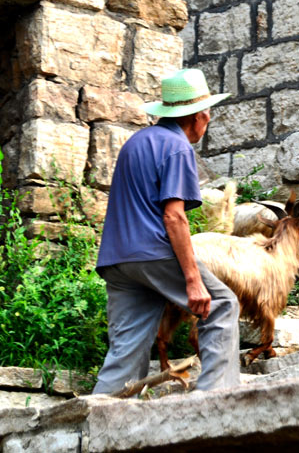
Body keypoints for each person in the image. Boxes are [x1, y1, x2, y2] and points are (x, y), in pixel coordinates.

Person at [92, 68, 240, 394]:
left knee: (126, 350)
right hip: (152, 252)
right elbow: (174, 218)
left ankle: (100, 422)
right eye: (208, 114)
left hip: (118, 261)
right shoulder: (177, 147)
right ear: (198, 116)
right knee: (221, 306)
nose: (209, 120)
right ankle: (215, 401)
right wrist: (192, 279)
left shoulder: (136, 142)